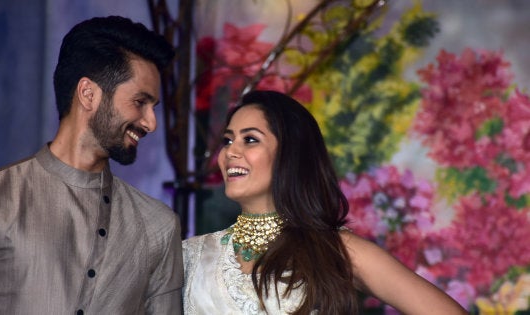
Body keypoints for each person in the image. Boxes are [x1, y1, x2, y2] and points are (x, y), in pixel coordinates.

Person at [0, 16, 182, 314]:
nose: (151, 122)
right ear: (88, 94)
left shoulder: (158, 227)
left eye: (154, 108)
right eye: (140, 102)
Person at [182, 90, 468, 314]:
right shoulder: (191, 254)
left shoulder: (334, 250)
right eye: (228, 140)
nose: (231, 152)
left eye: (251, 140)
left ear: (290, 155)